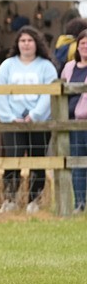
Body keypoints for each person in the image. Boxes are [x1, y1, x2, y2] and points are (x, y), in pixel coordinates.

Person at [0, 25, 58, 213]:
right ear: (17, 43)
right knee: (14, 159)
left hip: (38, 121)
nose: (26, 44)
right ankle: (10, 199)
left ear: (36, 43)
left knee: (37, 160)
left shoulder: (46, 67)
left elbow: (49, 94)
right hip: (13, 122)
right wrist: (10, 117)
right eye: (22, 41)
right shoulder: (7, 65)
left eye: (30, 40)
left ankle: (34, 201)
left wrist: (35, 115)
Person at [60, 29, 87, 213]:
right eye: (83, 43)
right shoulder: (69, 67)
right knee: (77, 164)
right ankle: (80, 203)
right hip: (72, 123)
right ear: (77, 46)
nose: (85, 46)